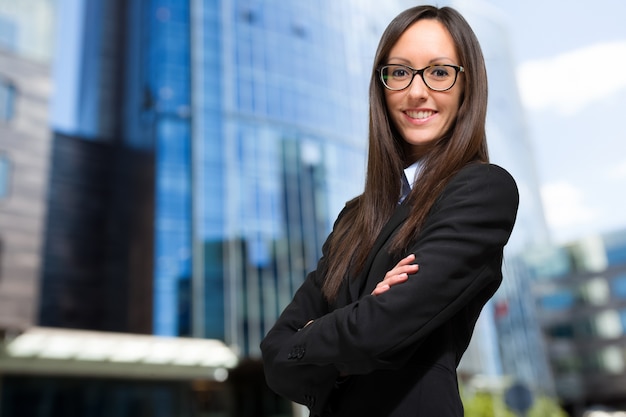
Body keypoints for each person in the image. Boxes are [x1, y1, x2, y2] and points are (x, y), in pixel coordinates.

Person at [260, 5, 519, 417]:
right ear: (381, 87)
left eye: (439, 71)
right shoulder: (353, 217)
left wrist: (317, 336)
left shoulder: (482, 190)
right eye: (399, 72)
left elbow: (380, 331)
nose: (417, 91)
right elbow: (275, 355)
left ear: (467, 86)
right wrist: (357, 322)